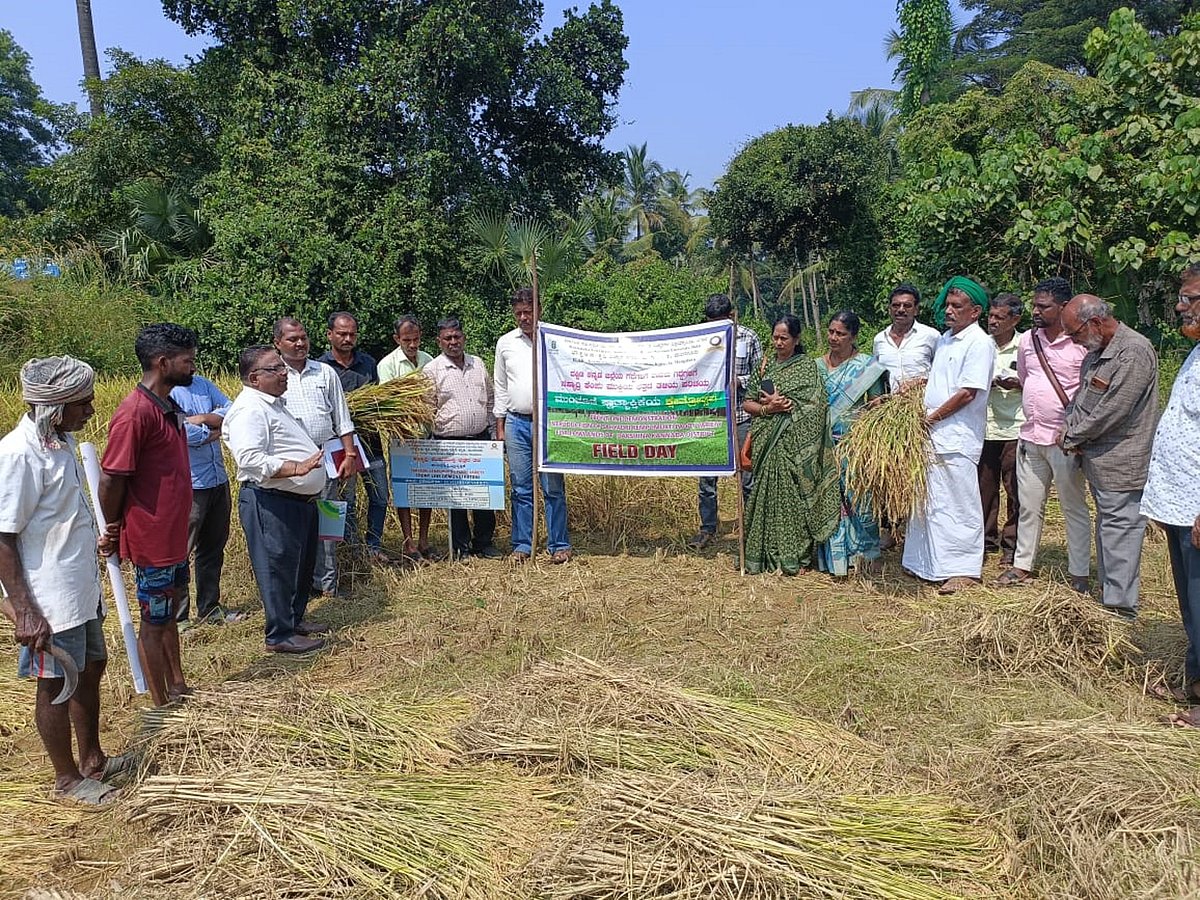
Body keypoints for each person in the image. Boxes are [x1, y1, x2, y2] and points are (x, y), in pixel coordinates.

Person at [0, 357, 134, 804]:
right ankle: (67, 779)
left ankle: (93, 759)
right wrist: (24, 610)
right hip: (48, 598)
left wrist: (91, 536)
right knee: (58, 682)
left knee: (92, 668)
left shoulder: (61, 442)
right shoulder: (19, 454)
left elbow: (56, 515)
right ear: (54, 408)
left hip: (80, 586)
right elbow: (3, 536)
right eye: (84, 403)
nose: (92, 410)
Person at [99, 323, 195, 706]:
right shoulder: (134, 413)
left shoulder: (168, 406)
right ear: (162, 362)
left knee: (167, 612)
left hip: (171, 537)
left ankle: (177, 685)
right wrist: (112, 526)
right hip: (151, 539)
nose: (193, 367)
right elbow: (111, 478)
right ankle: (160, 705)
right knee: (153, 622)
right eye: (187, 361)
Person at [222, 346, 330, 653]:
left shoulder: (274, 405)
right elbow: (250, 459)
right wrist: (296, 468)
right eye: (275, 369)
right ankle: (279, 635)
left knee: (298, 565)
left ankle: (294, 620)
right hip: (270, 500)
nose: (284, 373)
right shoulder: (249, 409)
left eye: (282, 367)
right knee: (277, 566)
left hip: (296, 501)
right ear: (255, 378)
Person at [1059, 294, 1158, 619]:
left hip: (1122, 463)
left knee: (1120, 533)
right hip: (1097, 462)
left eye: (1075, 334)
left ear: (1096, 323)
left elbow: (1112, 411)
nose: (1074, 342)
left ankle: (1119, 612)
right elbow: (1080, 399)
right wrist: (1068, 426)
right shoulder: (1096, 352)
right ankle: (1110, 600)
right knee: (1109, 530)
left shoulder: (1133, 352)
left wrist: (1072, 435)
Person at [997, 277, 1091, 591]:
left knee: (1072, 507)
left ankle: (1079, 572)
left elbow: (1088, 391)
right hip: (1031, 436)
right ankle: (1023, 565)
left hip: (1065, 441)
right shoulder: (1027, 340)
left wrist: (1076, 431)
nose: (1035, 311)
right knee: (1029, 505)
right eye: (1034, 304)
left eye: (1043, 306)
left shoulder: (1080, 342)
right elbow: (1026, 378)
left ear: (1063, 307)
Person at [903, 278, 996, 594]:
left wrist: (931, 418)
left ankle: (964, 570)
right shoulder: (944, 340)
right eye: (948, 305)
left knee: (959, 504)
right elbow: (940, 380)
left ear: (976, 311)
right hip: (932, 437)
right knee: (931, 502)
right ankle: (926, 565)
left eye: (957, 306)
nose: (949, 311)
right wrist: (917, 386)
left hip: (956, 436)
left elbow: (968, 392)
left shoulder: (979, 343)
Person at [1143, 264, 1200, 724]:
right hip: (1181, 503)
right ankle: (1195, 685)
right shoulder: (1195, 352)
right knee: (1191, 601)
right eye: (1182, 298)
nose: (1182, 306)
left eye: (1192, 298)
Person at [741, 314, 841, 575]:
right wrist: (768, 408)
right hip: (767, 445)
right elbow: (748, 403)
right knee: (764, 498)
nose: (778, 342)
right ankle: (762, 557)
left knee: (795, 502)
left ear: (796, 340)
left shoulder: (807, 367)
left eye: (784, 338)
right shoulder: (764, 368)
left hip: (794, 447)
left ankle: (795, 558)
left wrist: (789, 406)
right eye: (775, 337)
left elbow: (817, 405)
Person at [273, 317, 360, 596]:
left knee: (328, 524)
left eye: (303, 338)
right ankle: (298, 586)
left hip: (327, 460)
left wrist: (349, 454)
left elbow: (342, 418)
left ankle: (327, 586)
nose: (300, 344)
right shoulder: (272, 374)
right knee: (294, 527)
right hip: (290, 466)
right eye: (292, 339)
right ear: (278, 343)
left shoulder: (324, 373)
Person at [494, 287, 573, 563]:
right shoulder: (505, 343)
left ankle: (559, 544)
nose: (524, 317)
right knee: (521, 487)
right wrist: (501, 426)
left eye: (529, 311)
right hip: (516, 423)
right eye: (519, 313)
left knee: (552, 486)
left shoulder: (553, 338)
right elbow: (500, 386)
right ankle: (523, 545)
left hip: (548, 422)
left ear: (538, 309)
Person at [687, 294, 761, 550]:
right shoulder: (698, 339)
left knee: (747, 475)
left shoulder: (748, 338)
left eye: (720, 321)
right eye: (711, 322)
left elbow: (761, 376)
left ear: (731, 316)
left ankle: (751, 526)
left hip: (741, 415)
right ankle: (708, 528)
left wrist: (739, 381)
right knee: (706, 478)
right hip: (709, 418)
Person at [424, 317, 501, 560]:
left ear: (464, 338)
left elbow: (490, 399)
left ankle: (484, 543)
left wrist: (492, 431)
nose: (453, 342)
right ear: (439, 341)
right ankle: (460, 547)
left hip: (480, 440)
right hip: (449, 445)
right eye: (448, 338)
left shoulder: (477, 363)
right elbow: (427, 407)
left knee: (483, 495)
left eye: (457, 337)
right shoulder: (432, 370)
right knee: (456, 498)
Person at [817, 310, 887, 576]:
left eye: (841, 334)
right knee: (828, 500)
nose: (834, 338)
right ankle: (833, 560)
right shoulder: (816, 367)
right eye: (831, 332)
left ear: (853, 337)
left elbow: (876, 405)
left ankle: (865, 555)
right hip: (822, 447)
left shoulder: (867, 368)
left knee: (860, 500)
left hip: (854, 446)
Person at [170, 373, 242, 627]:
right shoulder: (168, 391)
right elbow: (183, 434)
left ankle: (210, 608)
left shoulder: (202, 384)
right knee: (181, 552)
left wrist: (202, 419)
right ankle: (179, 617)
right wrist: (215, 429)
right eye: (185, 359)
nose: (190, 364)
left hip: (217, 478)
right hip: (191, 484)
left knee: (213, 547)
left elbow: (233, 410)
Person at [317, 312, 389, 564]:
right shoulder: (320, 368)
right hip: (338, 447)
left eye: (352, 334)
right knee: (343, 499)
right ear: (330, 335)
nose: (348, 339)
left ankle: (373, 546)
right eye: (342, 334)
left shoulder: (368, 363)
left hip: (370, 442)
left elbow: (380, 402)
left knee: (380, 496)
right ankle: (348, 550)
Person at [378, 314, 435, 558]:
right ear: (397, 339)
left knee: (426, 488)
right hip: (402, 437)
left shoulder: (429, 360)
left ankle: (424, 539)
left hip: (427, 433)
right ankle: (408, 541)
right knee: (404, 489)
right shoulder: (387, 365)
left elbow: (433, 394)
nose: (413, 345)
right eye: (407, 340)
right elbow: (392, 404)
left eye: (416, 339)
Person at [977, 292, 1024, 567]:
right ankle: (984, 541)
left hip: (1015, 426)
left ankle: (1013, 544)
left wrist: (1018, 384)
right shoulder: (981, 344)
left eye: (999, 317)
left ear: (1015, 319)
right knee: (984, 489)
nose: (993, 321)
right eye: (991, 316)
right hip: (984, 425)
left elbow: (1037, 382)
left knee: (1015, 489)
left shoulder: (1026, 345)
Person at [872, 283, 940, 390]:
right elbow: (876, 377)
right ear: (889, 309)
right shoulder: (880, 339)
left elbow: (943, 372)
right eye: (896, 305)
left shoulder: (931, 336)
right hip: (890, 404)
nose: (901, 310)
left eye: (907, 305)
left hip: (925, 403)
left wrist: (921, 382)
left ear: (916, 309)